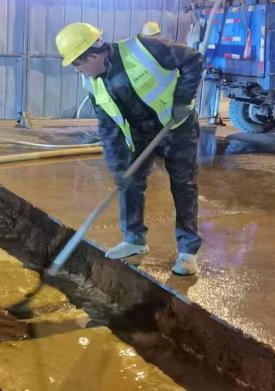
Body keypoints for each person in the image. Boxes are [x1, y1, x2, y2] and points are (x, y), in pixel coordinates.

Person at [55, 22, 204, 276]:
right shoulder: (91, 82)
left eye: (77, 64)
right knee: (130, 183)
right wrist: (118, 166)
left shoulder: (144, 49)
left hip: (176, 126)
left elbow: (193, 59)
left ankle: (188, 251)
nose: (78, 71)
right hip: (138, 135)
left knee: (183, 184)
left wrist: (182, 100)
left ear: (92, 55)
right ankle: (134, 241)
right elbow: (107, 124)